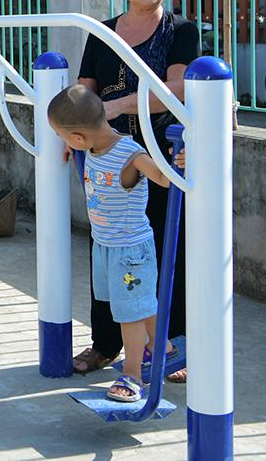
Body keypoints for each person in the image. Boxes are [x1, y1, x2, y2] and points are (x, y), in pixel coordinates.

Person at [73, 0, 199, 382]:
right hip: (104, 155)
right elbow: (85, 87)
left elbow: (177, 87)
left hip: (158, 155)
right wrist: (74, 130)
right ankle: (106, 343)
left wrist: (121, 105)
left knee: (165, 247)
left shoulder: (182, 30)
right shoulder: (102, 31)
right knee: (107, 247)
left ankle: (168, 345)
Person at [47, 84, 174, 402]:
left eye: (63, 138)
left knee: (129, 314)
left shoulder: (128, 153)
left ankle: (131, 376)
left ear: (77, 137)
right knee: (140, 304)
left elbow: (164, 177)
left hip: (130, 251)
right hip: (105, 245)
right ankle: (163, 347)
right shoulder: (91, 148)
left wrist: (181, 157)